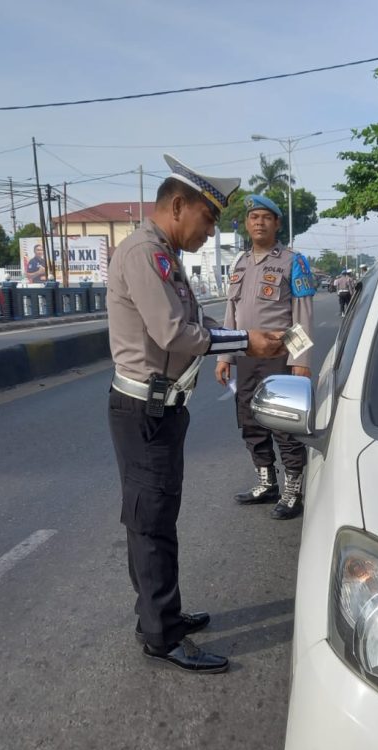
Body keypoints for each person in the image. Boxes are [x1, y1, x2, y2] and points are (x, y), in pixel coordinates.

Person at [107, 154, 288, 675]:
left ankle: (161, 614)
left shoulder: (162, 254)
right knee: (151, 522)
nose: (210, 231)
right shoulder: (146, 253)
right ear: (178, 205)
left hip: (160, 407)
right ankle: (161, 635)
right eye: (208, 219)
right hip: (144, 406)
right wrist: (245, 341)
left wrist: (239, 338)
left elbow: (190, 319)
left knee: (156, 519)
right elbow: (173, 334)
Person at [215, 193, 314, 520]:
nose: (259, 222)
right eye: (254, 217)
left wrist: (301, 360)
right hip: (245, 355)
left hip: (279, 356)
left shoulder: (292, 261)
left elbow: (302, 314)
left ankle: (293, 488)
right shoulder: (239, 263)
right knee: (249, 420)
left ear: (277, 224)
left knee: (284, 425)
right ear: (247, 224)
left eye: (266, 217)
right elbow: (232, 313)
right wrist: (225, 357)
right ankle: (266, 480)